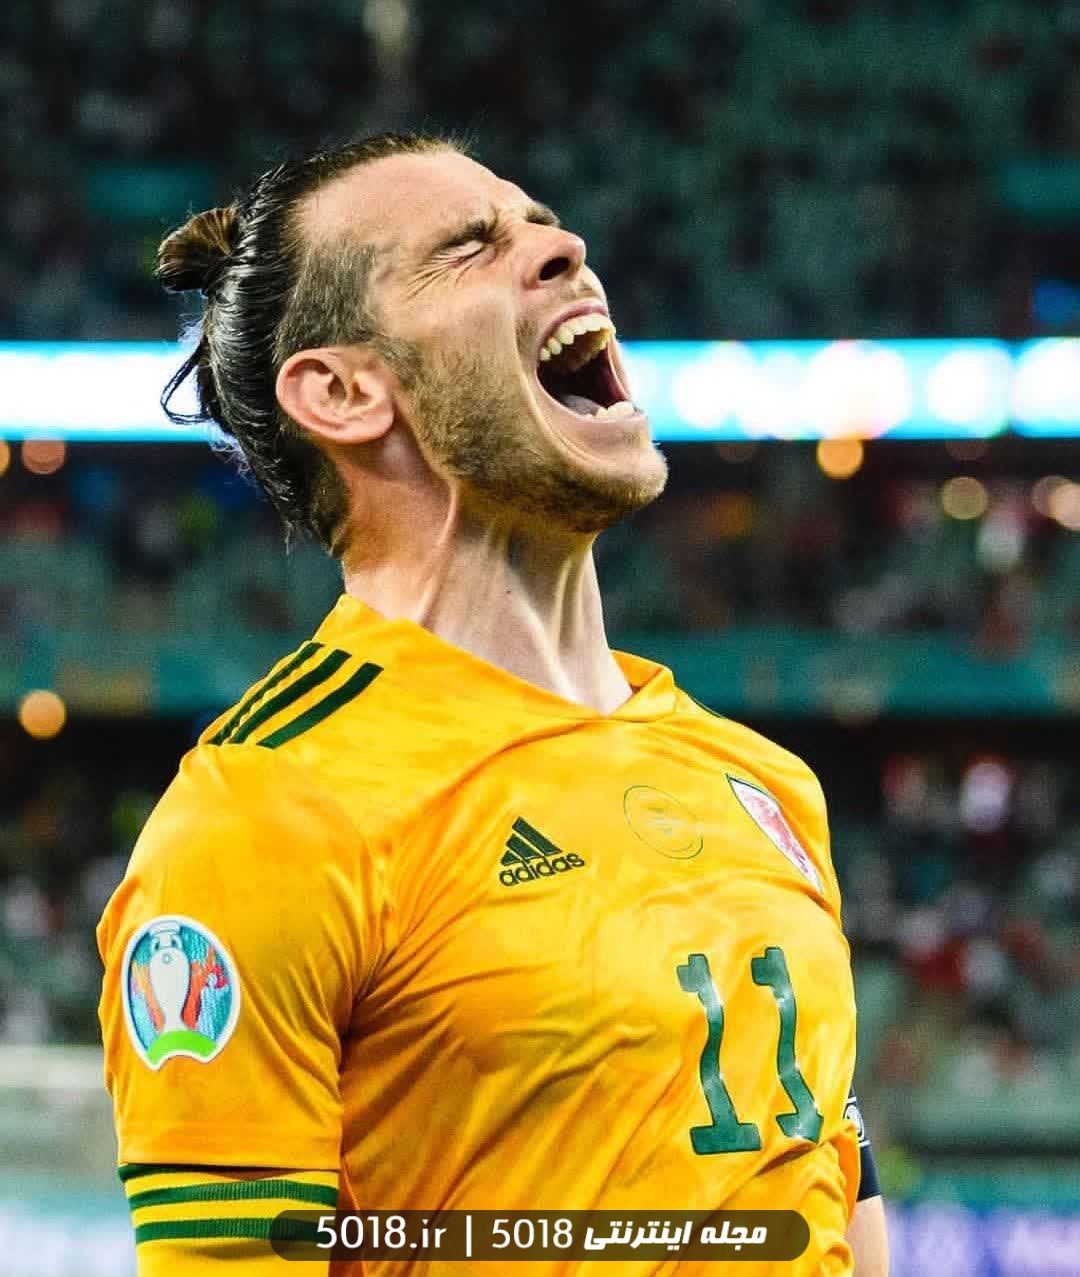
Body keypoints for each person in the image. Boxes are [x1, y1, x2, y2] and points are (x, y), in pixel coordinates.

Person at [97, 132, 888, 1276]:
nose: (565, 249)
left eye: (543, 222)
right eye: (470, 247)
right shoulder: (265, 818)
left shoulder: (765, 782)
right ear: (343, 390)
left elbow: (839, 1196)